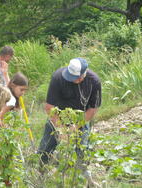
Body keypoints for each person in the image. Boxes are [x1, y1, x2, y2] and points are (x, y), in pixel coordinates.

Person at [38, 57, 101, 187]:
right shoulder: (58, 78)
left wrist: (76, 126)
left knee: (82, 149)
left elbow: (93, 109)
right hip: (58, 116)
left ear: (84, 73)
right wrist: (61, 128)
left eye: (77, 78)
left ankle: (83, 179)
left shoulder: (94, 81)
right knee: (46, 146)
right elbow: (49, 107)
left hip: (81, 118)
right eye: (71, 77)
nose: (74, 80)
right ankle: (39, 174)